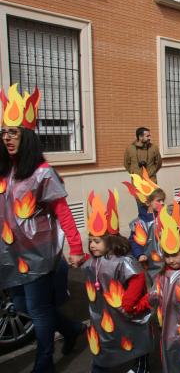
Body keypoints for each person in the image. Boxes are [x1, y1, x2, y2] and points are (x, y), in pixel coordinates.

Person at [0, 84, 85, 373]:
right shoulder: (4, 170)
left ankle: (44, 361)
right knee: (24, 307)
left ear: (28, 136)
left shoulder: (42, 173)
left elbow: (63, 212)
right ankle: (72, 329)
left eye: (14, 132)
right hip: (10, 254)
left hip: (37, 256)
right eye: (4, 132)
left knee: (37, 310)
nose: (7, 138)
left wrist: (76, 248)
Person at [84, 191, 152, 373]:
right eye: (90, 241)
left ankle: (140, 365)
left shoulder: (122, 261)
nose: (92, 245)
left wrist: (128, 303)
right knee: (107, 342)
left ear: (110, 241)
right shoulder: (93, 262)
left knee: (134, 336)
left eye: (97, 241)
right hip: (103, 314)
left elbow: (137, 278)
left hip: (125, 311)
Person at [135, 202, 180, 373]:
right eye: (168, 256)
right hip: (169, 326)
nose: (171, 260)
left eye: (175, 254)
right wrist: (144, 302)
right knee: (172, 355)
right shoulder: (162, 275)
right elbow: (155, 294)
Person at [125, 174, 166, 283]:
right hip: (149, 261)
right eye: (158, 200)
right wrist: (139, 254)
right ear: (148, 202)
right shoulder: (139, 223)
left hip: (166, 258)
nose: (162, 203)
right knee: (153, 284)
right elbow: (134, 240)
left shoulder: (165, 217)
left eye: (163, 200)